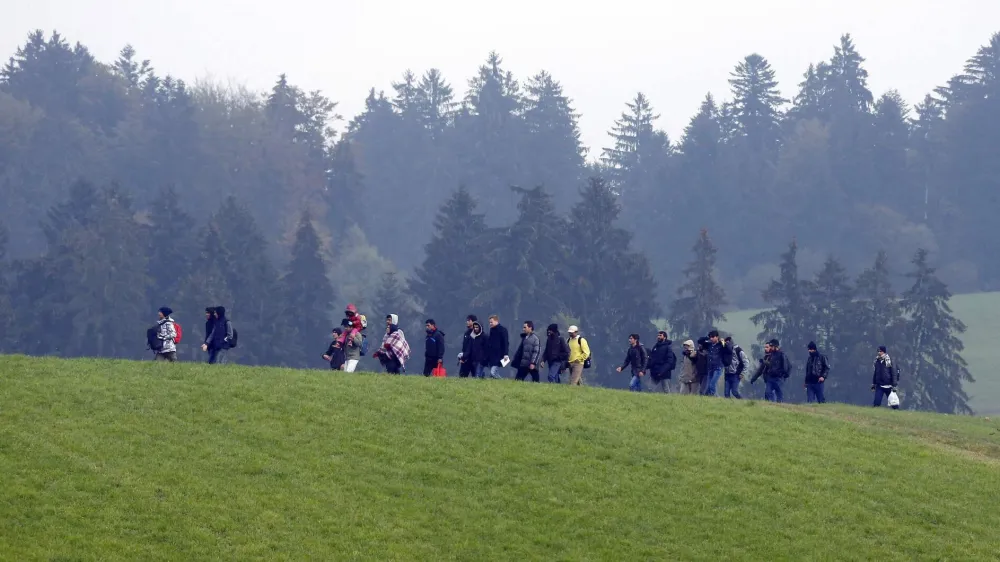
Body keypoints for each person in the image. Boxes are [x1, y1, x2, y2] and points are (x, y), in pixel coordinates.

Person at [702, 330, 733, 396]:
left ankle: (711, 396)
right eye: (710, 337)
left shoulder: (721, 345)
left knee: (712, 384)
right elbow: (700, 341)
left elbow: (729, 350)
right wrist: (707, 338)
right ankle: (707, 397)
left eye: (713, 337)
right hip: (710, 367)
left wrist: (724, 342)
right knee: (708, 385)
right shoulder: (709, 345)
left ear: (717, 337)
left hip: (718, 367)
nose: (711, 338)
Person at [485, 315, 509, 379]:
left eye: (491, 322)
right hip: (491, 355)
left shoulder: (503, 330)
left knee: (493, 373)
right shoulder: (491, 330)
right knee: (493, 373)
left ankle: (501, 381)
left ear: (496, 321)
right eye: (489, 322)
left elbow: (506, 342)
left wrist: (506, 354)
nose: (490, 324)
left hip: (499, 355)